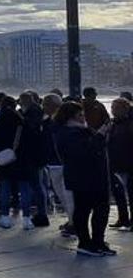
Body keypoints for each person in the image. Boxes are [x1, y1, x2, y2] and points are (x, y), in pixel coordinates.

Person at [57, 101, 116, 257]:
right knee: (86, 210)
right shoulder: (68, 133)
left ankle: (98, 242)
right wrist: (101, 133)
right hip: (84, 178)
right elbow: (85, 151)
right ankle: (86, 242)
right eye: (79, 115)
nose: (83, 118)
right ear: (70, 117)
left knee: (98, 210)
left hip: (93, 177)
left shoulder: (78, 131)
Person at [0, 94, 34, 230]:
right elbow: (29, 141)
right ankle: (26, 219)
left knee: (5, 188)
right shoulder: (21, 120)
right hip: (21, 159)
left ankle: (5, 217)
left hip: (4, 159)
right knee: (25, 189)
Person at [41, 93, 75, 236]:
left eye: (45, 104)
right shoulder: (54, 121)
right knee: (64, 195)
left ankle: (74, 224)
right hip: (56, 162)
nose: (43, 107)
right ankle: (71, 220)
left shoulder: (58, 123)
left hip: (61, 163)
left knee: (67, 195)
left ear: (52, 106)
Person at [17, 91, 50, 227]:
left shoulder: (33, 113)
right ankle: (41, 213)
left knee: (36, 185)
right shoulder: (37, 111)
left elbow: (31, 130)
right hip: (37, 156)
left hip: (32, 156)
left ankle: (42, 214)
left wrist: (21, 118)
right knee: (38, 185)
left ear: (25, 101)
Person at [108, 97, 133, 231]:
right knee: (118, 193)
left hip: (128, 162)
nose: (113, 111)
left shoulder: (128, 124)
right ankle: (123, 218)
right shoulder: (114, 123)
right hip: (116, 162)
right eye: (112, 108)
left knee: (130, 192)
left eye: (115, 108)